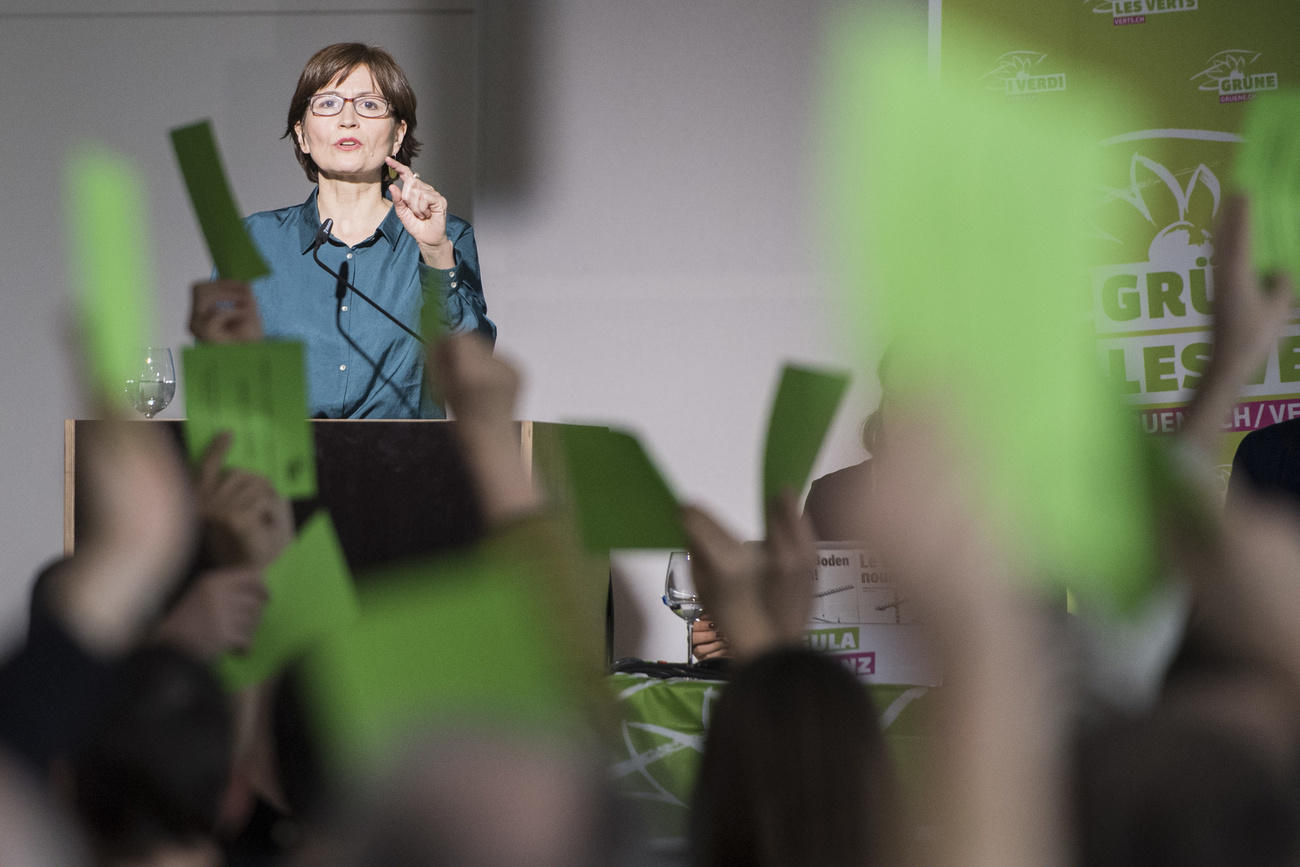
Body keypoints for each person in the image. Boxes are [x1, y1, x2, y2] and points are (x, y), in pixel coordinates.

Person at [188, 42, 496, 418]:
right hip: (288, 471)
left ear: (398, 135)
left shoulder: (446, 236)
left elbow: (471, 374)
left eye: (369, 105)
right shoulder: (252, 241)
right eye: (328, 103)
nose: (348, 120)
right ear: (301, 134)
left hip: (407, 469)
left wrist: (435, 252)